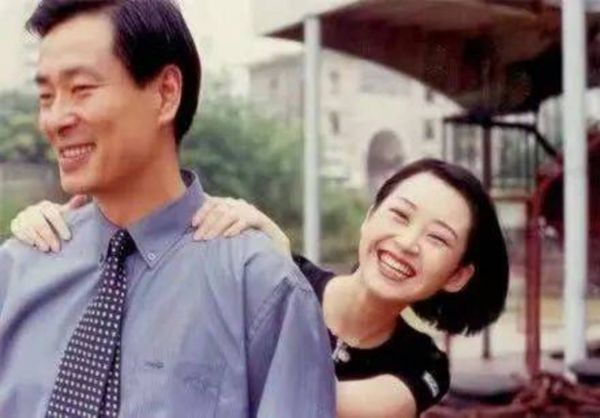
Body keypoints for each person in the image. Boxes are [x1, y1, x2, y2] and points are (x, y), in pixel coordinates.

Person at [0, 1, 335, 417]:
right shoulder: (18, 271)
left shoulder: (260, 287)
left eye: (81, 89)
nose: (54, 120)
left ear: (165, 94)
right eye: (46, 96)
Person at [12, 158, 511, 417]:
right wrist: (70, 231)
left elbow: (315, 403)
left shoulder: (424, 365)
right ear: (369, 217)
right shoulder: (265, 277)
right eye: (399, 215)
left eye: (437, 239)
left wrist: (280, 273)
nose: (406, 243)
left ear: (457, 274)